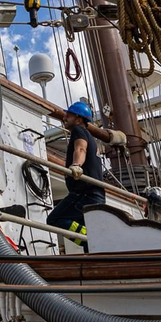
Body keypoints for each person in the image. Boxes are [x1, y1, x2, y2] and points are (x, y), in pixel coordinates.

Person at [46, 101, 105, 239]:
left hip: (84, 194)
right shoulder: (91, 138)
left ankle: (90, 241)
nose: (64, 118)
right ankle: (91, 244)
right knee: (84, 230)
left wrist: (76, 165)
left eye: (69, 115)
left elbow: (80, 148)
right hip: (95, 196)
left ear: (79, 120)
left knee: (54, 220)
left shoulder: (79, 130)